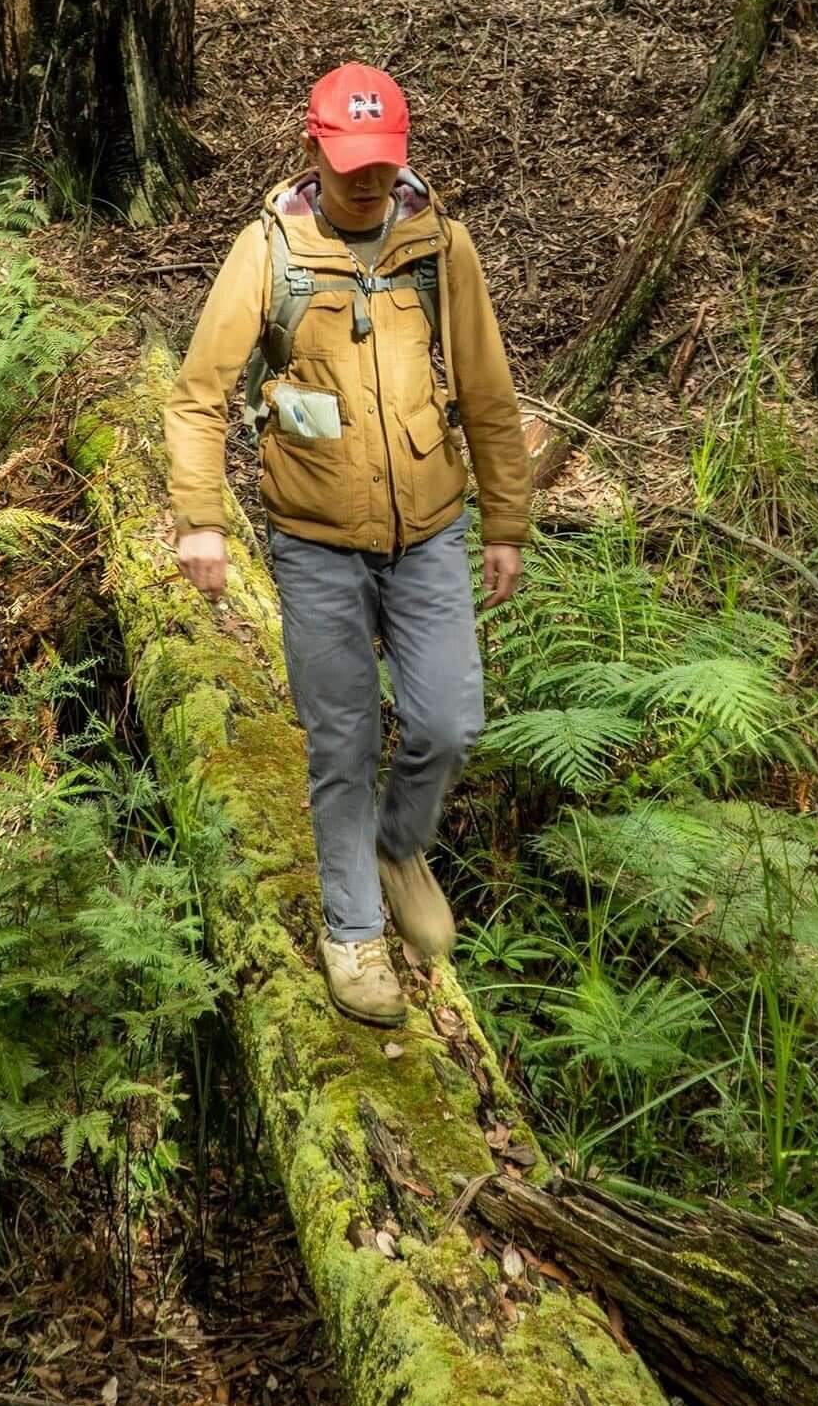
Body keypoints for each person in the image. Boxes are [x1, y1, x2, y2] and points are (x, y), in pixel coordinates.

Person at [165, 62, 532, 1027]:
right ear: (311, 145)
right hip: (315, 538)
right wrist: (199, 515)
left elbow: (489, 396)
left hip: (430, 533)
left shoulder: (439, 249)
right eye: (348, 164)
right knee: (343, 738)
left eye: (380, 165)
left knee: (450, 718)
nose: (365, 182)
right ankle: (353, 931)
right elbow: (200, 394)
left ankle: (395, 843)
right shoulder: (269, 251)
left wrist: (506, 520)